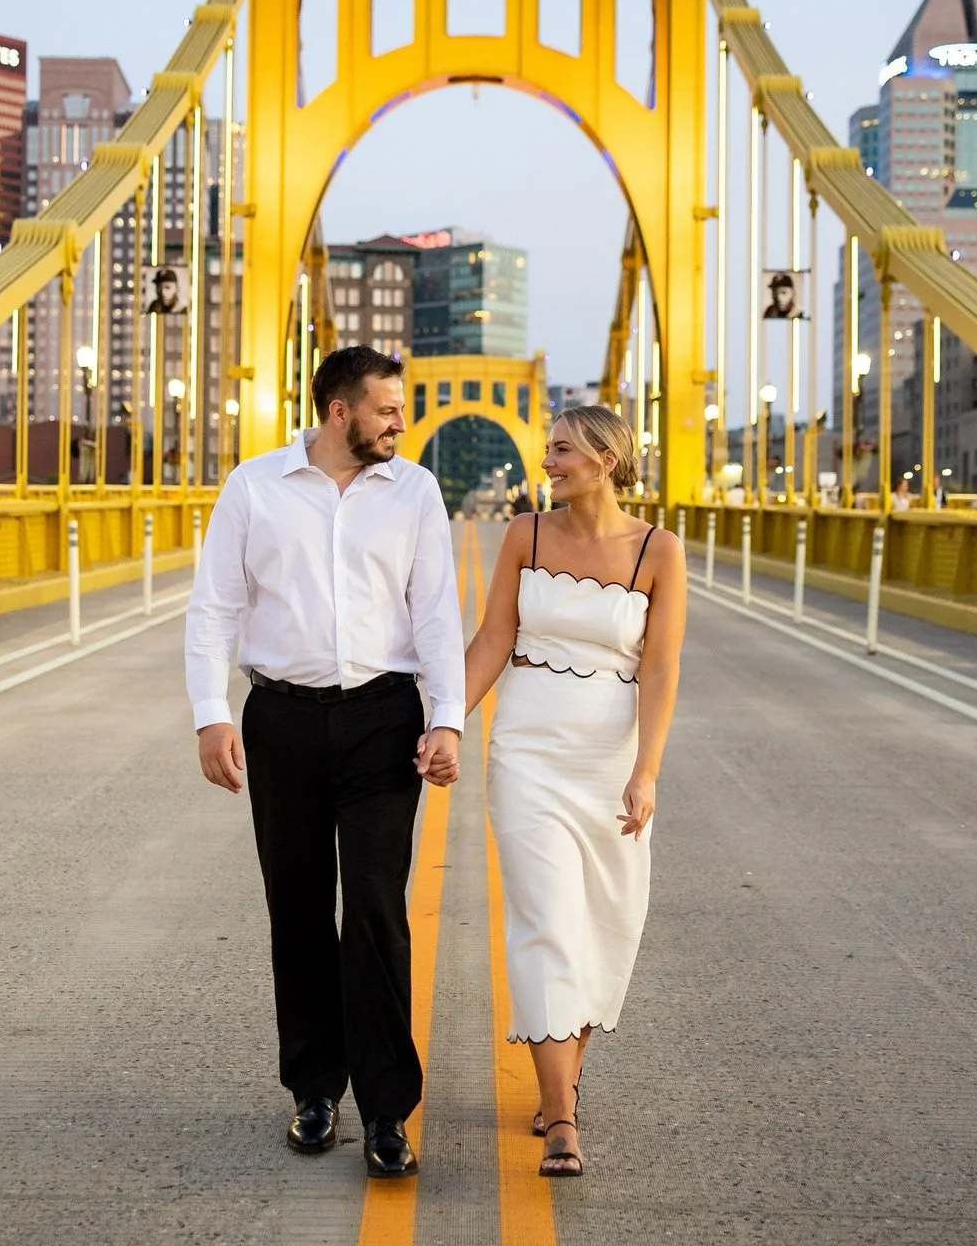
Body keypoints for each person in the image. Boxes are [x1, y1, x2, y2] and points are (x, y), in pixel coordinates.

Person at [184, 345, 465, 1180]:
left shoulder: (414, 491)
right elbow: (214, 607)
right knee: (297, 907)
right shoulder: (254, 487)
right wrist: (208, 714)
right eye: (386, 409)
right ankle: (313, 1091)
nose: (401, 422)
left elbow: (437, 611)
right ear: (340, 411)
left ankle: (386, 1110)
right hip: (282, 721)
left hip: (383, 719)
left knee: (376, 910)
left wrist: (447, 719)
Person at [462, 406, 687, 1179]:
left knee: (606, 927)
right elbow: (493, 637)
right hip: (528, 752)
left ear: (605, 456)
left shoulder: (659, 550)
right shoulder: (523, 535)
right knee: (548, 921)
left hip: (610, 761)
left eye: (561, 449)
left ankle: (564, 1069)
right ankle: (561, 1115)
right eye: (548, 448)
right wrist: (440, 720)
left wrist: (647, 769)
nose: (548, 460)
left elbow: (660, 669)